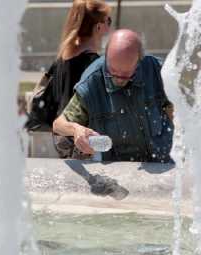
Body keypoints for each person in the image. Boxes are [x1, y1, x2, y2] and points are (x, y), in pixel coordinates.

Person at [53, 29, 174, 163]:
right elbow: (58, 125)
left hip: (163, 164)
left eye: (126, 74)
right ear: (107, 57)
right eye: (113, 72)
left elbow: (178, 110)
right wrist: (77, 130)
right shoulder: (91, 83)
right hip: (120, 171)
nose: (119, 79)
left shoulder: (156, 71)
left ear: (139, 61)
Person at [26, 0, 111, 158]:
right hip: (84, 140)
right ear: (98, 27)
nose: (110, 27)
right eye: (108, 21)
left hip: (61, 138)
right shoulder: (95, 64)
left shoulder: (62, 58)